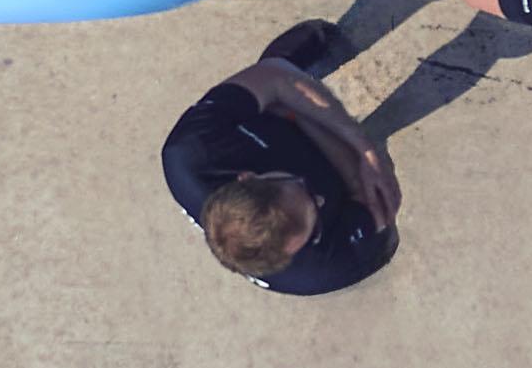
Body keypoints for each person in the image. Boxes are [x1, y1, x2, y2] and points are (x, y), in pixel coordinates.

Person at [157, 19, 398, 296]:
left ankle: (300, 60)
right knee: (376, 176)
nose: (319, 199)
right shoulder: (324, 267)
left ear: (247, 177)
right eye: (314, 221)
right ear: (291, 254)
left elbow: (271, 76)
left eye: (302, 187)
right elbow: (373, 197)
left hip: (271, 129)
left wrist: (362, 145)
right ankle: (293, 108)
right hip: (344, 200)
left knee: (273, 73)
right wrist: (360, 153)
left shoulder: (189, 150)